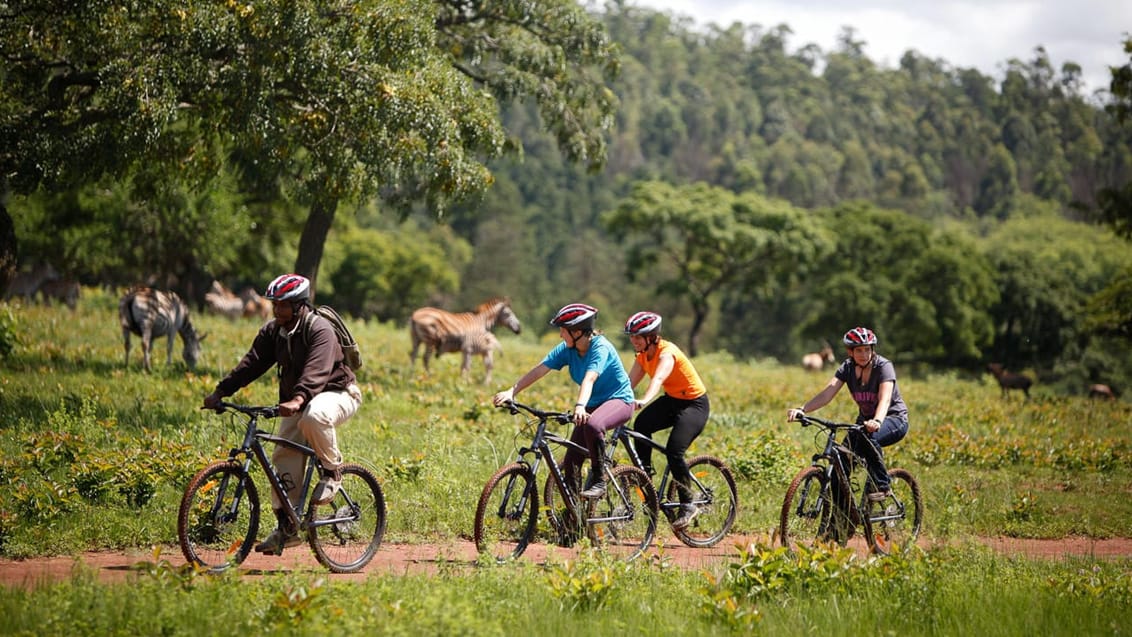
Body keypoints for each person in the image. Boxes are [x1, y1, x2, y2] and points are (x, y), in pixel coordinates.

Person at [203, 274, 362, 554]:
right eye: (275, 303)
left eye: (284, 304)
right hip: (298, 401)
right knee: (282, 458)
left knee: (314, 416)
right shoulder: (272, 331)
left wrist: (299, 397)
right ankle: (287, 528)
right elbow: (251, 364)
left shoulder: (320, 329)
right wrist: (221, 392)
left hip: (339, 393)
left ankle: (333, 471)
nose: (277, 309)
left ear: (300, 305)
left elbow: (318, 369)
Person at [492, 303, 635, 499]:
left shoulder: (600, 348)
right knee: (571, 463)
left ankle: (600, 480)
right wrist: (512, 391)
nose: (560, 335)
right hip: (591, 404)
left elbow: (590, 378)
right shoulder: (567, 348)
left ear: (577, 332)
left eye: (563, 330)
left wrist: (580, 406)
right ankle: (573, 520)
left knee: (594, 425)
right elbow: (539, 370)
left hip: (619, 400)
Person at [786, 326, 909, 501]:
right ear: (850, 351)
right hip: (864, 423)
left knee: (868, 437)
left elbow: (885, 399)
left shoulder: (883, 366)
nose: (864, 354)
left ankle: (883, 485)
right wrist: (802, 409)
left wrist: (877, 421)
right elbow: (827, 393)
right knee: (840, 464)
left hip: (893, 419)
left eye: (867, 349)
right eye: (859, 350)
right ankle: (840, 524)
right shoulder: (847, 368)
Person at [623, 311, 710, 530]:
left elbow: (659, 379)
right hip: (672, 401)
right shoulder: (642, 355)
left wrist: (644, 400)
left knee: (674, 451)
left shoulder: (667, 354)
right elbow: (626, 384)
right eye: (631, 336)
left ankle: (688, 502)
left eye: (638, 336)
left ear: (652, 336)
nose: (633, 340)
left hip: (694, 405)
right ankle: (646, 479)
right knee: (641, 426)